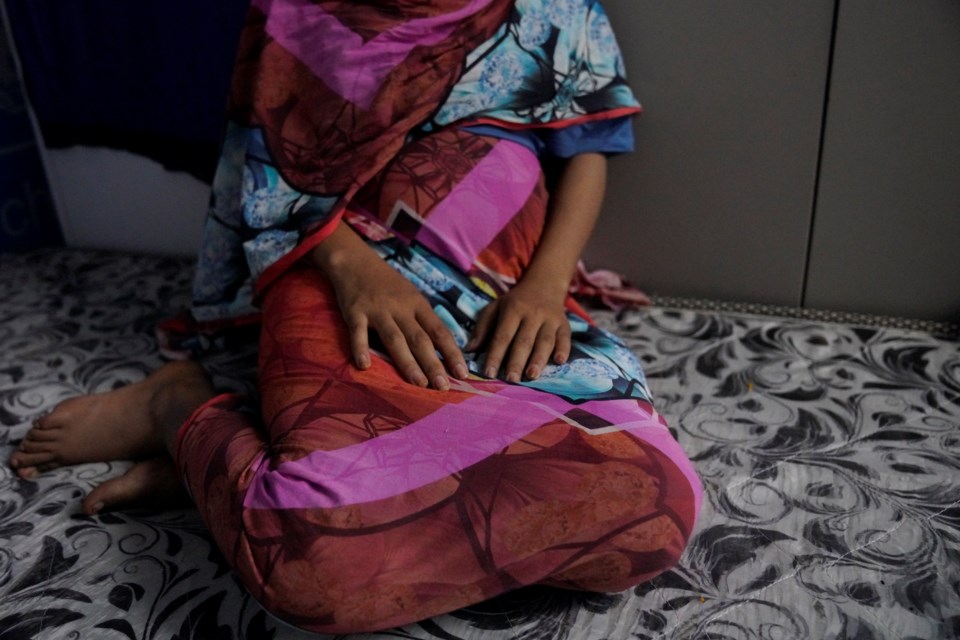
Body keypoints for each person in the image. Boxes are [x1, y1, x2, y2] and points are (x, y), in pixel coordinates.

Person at [9, 0, 701, 634]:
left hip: (502, 295)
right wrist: (354, 272)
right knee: (311, 572)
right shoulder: (302, 11)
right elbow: (271, 172)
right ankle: (180, 406)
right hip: (336, 275)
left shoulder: (556, 9)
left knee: (661, 512)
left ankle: (226, 471)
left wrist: (545, 291)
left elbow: (588, 155)